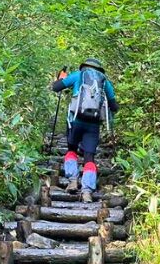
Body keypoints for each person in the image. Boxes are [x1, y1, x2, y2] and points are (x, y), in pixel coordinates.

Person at [50, 58, 119, 201]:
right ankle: (87, 190)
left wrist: (61, 78)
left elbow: (55, 87)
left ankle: (73, 181)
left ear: (84, 67)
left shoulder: (77, 75)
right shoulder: (105, 81)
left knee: (71, 149)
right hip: (93, 124)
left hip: (75, 121)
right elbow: (114, 107)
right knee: (89, 156)